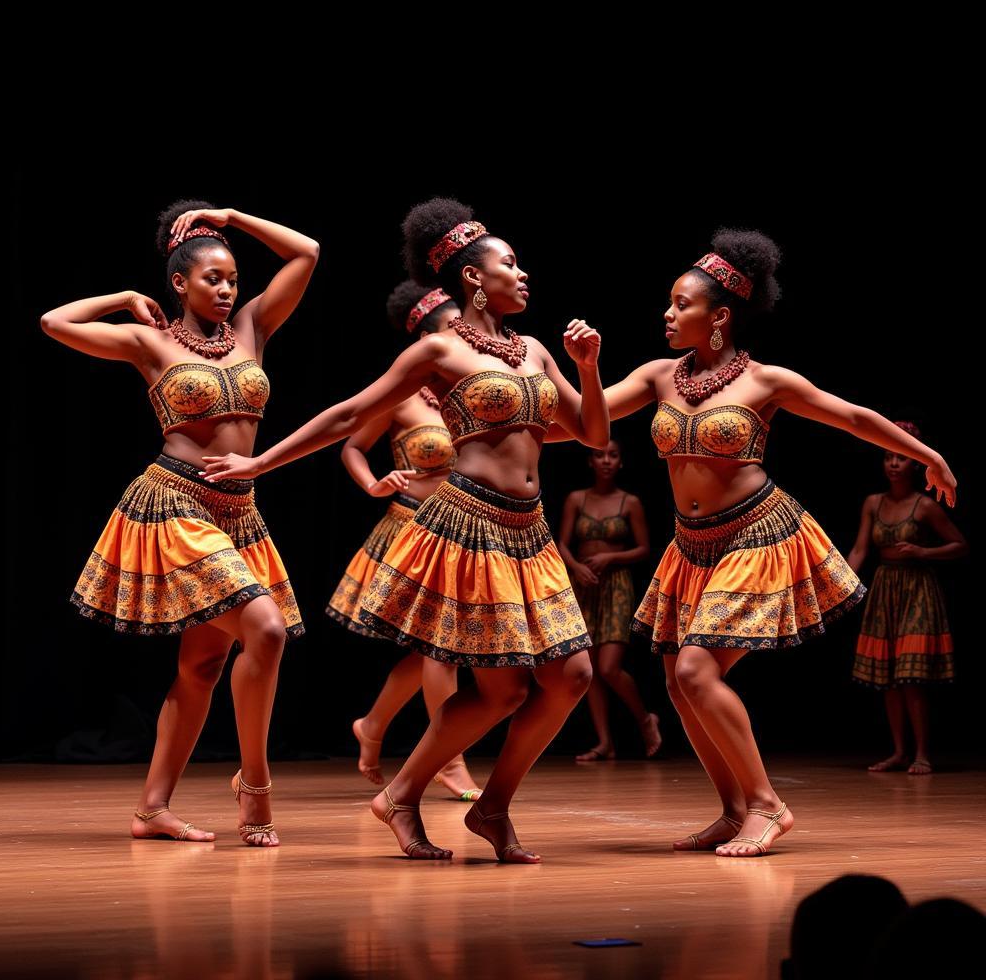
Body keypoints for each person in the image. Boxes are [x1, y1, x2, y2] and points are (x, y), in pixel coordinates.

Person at [201, 197, 608, 862]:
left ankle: (483, 805)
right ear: (473, 278)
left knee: (569, 678)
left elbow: (591, 433)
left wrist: (587, 368)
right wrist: (260, 462)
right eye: (510, 263)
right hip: (470, 527)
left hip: (529, 535)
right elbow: (348, 417)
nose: (523, 273)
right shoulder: (437, 351)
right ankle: (410, 797)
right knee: (503, 688)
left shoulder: (534, 350)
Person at [570, 229, 957, 856]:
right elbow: (581, 427)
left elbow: (853, 416)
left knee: (696, 671)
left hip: (755, 536)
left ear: (718, 317)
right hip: (690, 546)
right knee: (675, 680)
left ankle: (767, 805)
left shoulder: (766, 383)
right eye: (668, 303)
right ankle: (731, 810)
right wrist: (581, 370)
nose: (667, 314)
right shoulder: (657, 377)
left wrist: (927, 454)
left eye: (681, 304)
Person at [42, 201, 319, 846]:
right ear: (179, 283)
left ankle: (151, 809)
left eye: (231, 280)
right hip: (176, 506)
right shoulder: (151, 342)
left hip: (240, 513)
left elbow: (306, 252)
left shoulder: (252, 328)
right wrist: (122, 297)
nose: (226, 291)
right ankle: (255, 787)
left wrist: (230, 216)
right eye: (212, 279)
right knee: (266, 630)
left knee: (201, 667)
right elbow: (54, 322)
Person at [327, 280, 481, 799]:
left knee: (429, 653)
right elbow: (352, 446)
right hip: (413, 528)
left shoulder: (473, 387)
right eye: (452, 326)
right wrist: (374, 482)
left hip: (464, 531)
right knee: (440, 649)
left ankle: (372, 726)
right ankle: (450, 759)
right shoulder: (402, 395)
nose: (464, 333)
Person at [847, 421, 968, 775]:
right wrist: (842, 586)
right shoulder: (873, 503)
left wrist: (922, 552)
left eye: (901, 457)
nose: (894, 463)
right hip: (885, 588)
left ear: (915, 464)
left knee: (911, 676)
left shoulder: (925, 506)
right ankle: (899, 752)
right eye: (888, 457)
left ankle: (922, 753)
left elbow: (960, 544)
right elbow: (859, 549)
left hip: (917, 589)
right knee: (887, 676)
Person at [556, 439, 661, 761]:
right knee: (588, 669)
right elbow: (561, 543)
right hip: (582, 584)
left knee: (609, 667)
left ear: (620, 462)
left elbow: (644, 548)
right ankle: (605, 743)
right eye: (599, 455)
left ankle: (645, 719)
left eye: (612, 455)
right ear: (590, 461)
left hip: (615, 585)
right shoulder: (577, 498)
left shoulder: (630, 502)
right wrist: (575, 567)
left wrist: (609, 558)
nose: (605, 461)